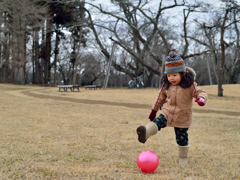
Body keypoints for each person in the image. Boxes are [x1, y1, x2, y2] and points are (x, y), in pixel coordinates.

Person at [136, 51, 208, 165]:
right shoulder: (166, 85)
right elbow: (159, 98)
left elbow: (201, 92)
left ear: (183, 73)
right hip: (167, 112)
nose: (171, 78)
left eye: (174, 75)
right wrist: (154, 110)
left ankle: (183, 158)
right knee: (157, 122)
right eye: (169, 75)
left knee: (181, 138)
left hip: (182, 116)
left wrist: (202, 98)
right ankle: (146, 133)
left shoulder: (190, 84)